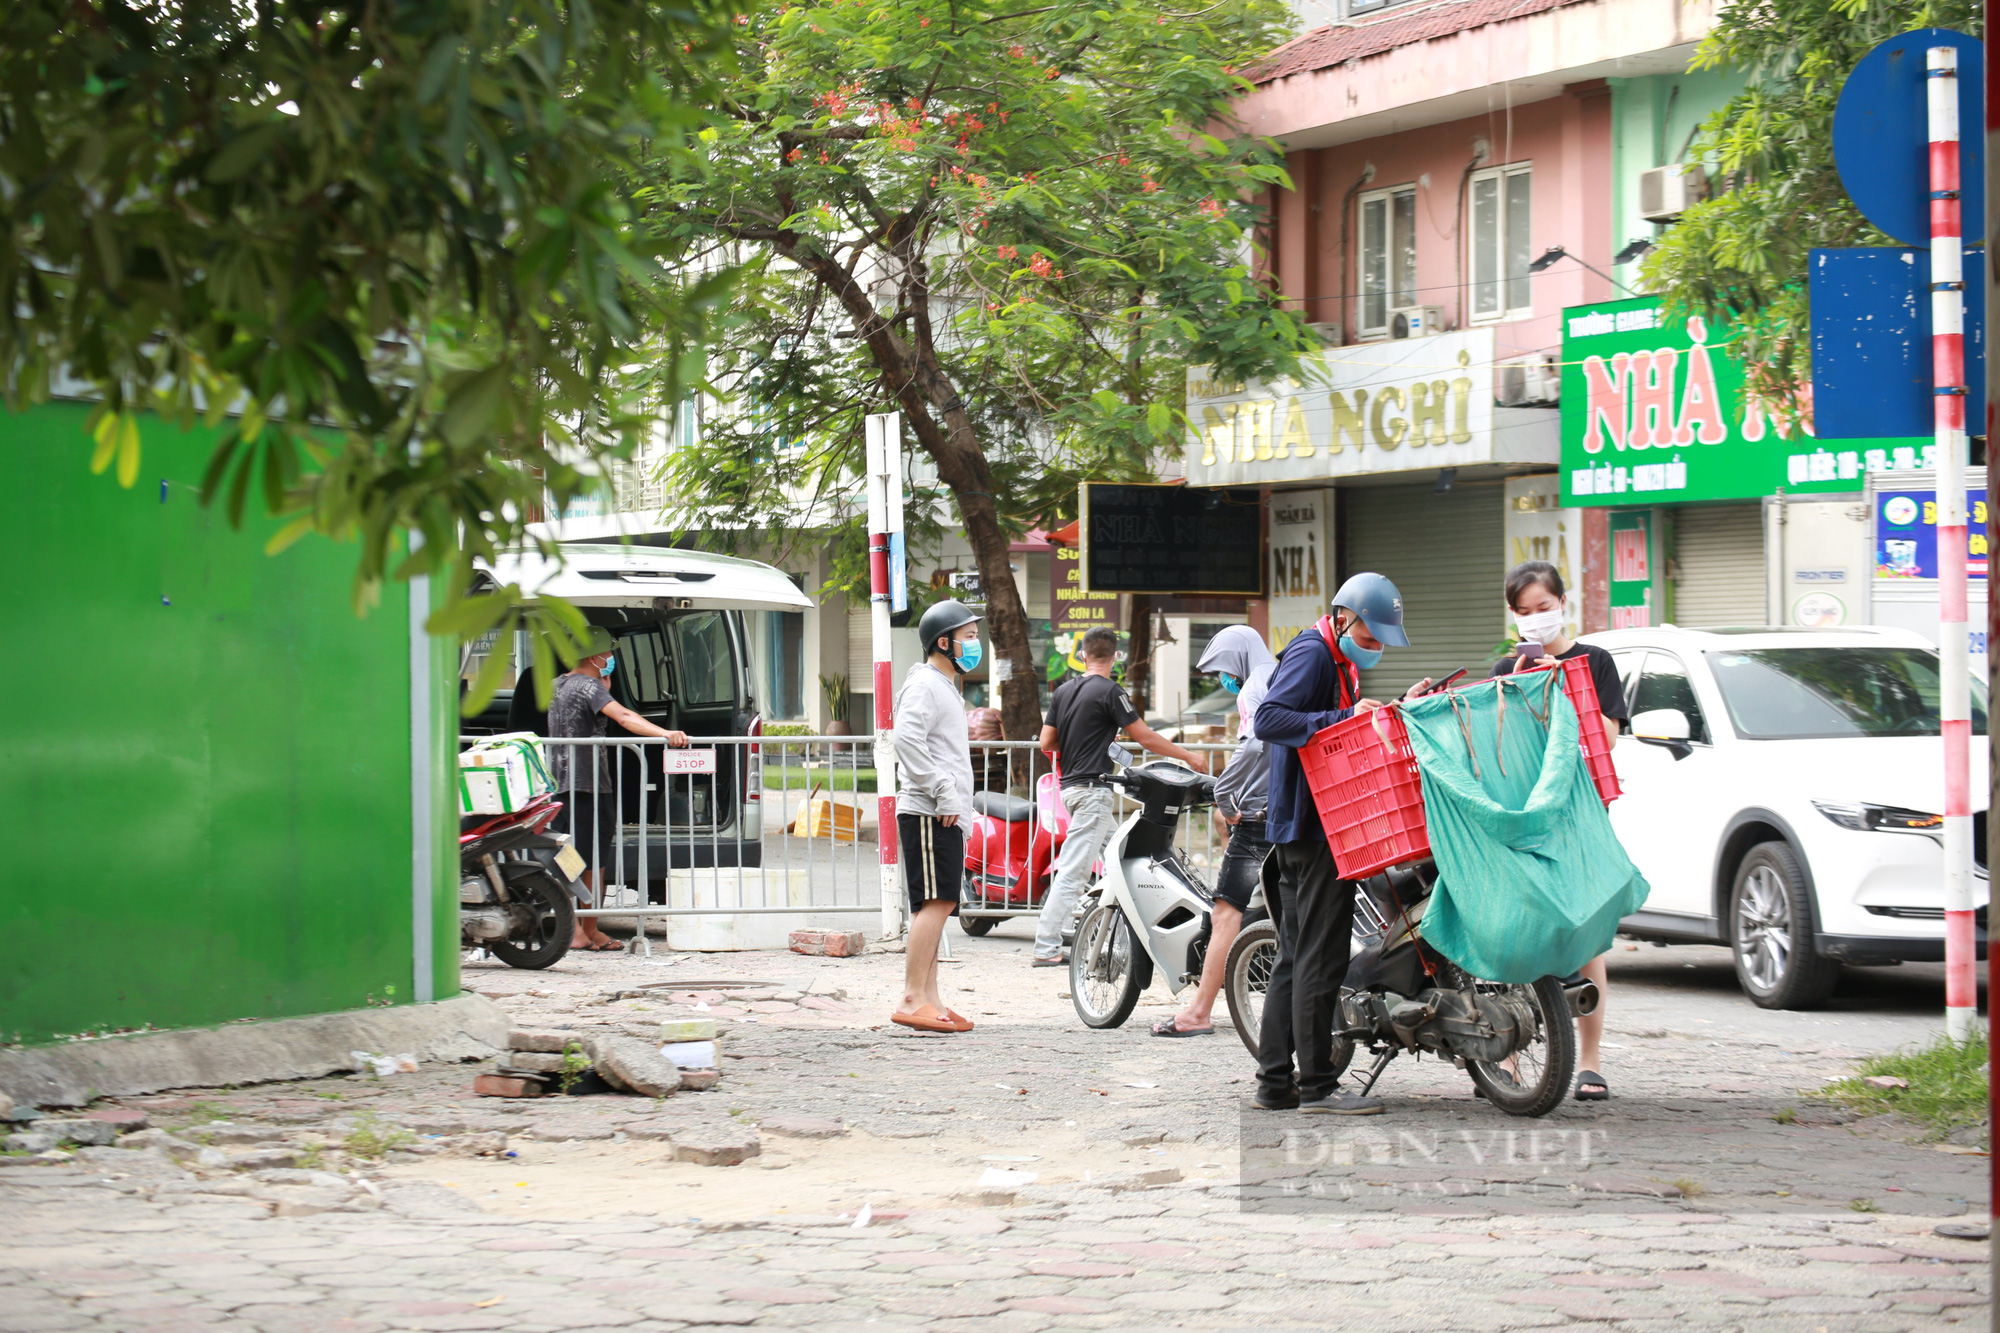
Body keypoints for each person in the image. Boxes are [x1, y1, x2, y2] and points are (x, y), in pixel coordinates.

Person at [1254, 573, 1430, 1115]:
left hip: (1305, 825)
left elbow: (1340, 731)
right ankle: (1317, 1088)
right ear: (1342, 618)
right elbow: (1269, 718)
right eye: (1370, 637)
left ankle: (1275, 1084)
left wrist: (1397, 704)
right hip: (1313, 829)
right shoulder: (1312, 654)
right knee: (1320, 957)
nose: (1373, 648)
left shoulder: (1335, 658)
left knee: (1294, 957)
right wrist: (1342, 715)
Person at [1490, 559, 1627, 1101]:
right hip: (1525, 815)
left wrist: (1560, 686)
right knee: (1517, 933)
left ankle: (1589, 1063)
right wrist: (1519, 687)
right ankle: (1511, 1061)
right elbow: (1497, 745)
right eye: (1524, 612)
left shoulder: (1594, 662)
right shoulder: (1508, 667)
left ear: (1563, 604)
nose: (1534, 620)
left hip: (1582, 816)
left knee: (1585, 936)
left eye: (1543, 609)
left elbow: (1608, 738)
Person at [1033, 626, 1209, 967]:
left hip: (1070, 788)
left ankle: (1126, 931)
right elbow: (1144, 737)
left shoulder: (1063, 691)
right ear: (1116, 657)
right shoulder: (1111, 692)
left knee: (1125, 855)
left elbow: (1046, 743)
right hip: (1092, 792)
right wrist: (1188, 756)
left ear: (1082, 655)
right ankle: (1045, 946)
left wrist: (1085, 744)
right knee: (1074, 870)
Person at [1154, 626, 1277, 1037]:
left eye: (1224, 668)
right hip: (1288, 813)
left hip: (1256, 818)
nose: (1224, 679)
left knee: (1226, 914)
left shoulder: (1254, 685)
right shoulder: (1279, 674)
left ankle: (1198, 1013)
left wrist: (1224, 792)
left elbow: (1258, 744)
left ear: (1239, 655)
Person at [548, 627, 689, 952]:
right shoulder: (588, 687)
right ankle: (584, 931)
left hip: (560, 783)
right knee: (593, 860)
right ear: (595, 656)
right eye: (608, 654)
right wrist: (666, 734)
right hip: (588, 785)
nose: (611, 659)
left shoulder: (558, 685)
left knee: (569, 857)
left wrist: (604, 685)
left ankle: (584, 929)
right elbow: (624, 716)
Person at [889, 598, 983, 1033]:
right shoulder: (925, 683)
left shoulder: (943, 686)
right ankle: (912, 997)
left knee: (941, 902)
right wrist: (943, 791)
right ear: (942, 642)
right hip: (930, 811)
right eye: (968, 637)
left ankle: (931, 1000)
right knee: (936, 902)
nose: (975, 643)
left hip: (944, 813)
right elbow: (906, 740)